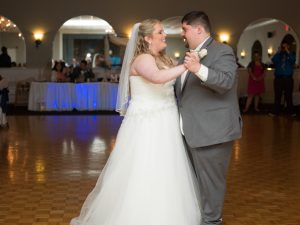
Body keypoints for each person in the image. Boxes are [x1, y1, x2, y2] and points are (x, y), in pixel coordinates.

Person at [70, 19, 201, 225]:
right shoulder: (142, 59)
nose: (164, 35)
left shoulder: (165, 59)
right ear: (148, 38)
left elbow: (173, 78)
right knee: (145, 168)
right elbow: (157, 78)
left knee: (167, 169)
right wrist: (187, 66)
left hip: (166, 122)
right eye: (160, 32)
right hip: (147, 125)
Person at [175, 11, 242, 225]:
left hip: (213, 132)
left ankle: (212, 222)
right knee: (196, 183)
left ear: (199, 29)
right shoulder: (185, 55)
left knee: (211, 184)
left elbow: (225, 82)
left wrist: (198, 68)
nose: (182, 34)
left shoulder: (222, 51)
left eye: (184, 29)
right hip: (191, 131)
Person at [270, 42, 296, 116]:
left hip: (288, 79)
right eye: (283, 46)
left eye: (286, 46)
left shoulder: (291, 54)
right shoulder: (279, 55)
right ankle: (275, 112)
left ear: (288, 46)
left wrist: (287, 51)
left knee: (288, 95)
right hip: (278, 79)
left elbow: (293, 60)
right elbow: (273, 60)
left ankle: (290, 112)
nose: (284, 47)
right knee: (277, 96)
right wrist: (278, 51)